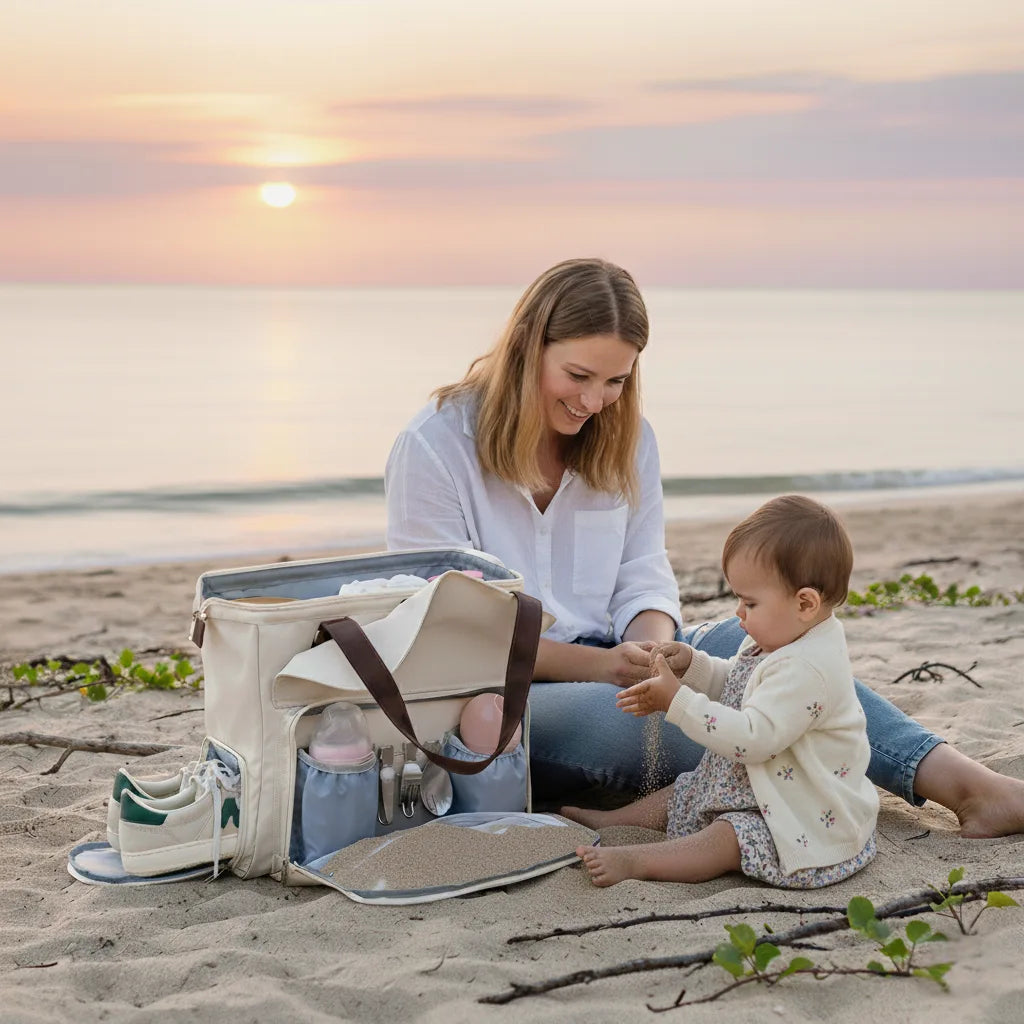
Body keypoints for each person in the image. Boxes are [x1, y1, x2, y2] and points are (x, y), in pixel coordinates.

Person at [384, 256, 1024, 839]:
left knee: (778, 650)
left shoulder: (627, 439)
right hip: (505, 696)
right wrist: (605, 668)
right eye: (577, 375)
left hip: (616, 658)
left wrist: (655, 646)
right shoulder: (436, 447)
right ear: (528, 346)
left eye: (615, 381)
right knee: (707, 709)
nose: (593, 401)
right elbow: (448, 630)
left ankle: (970, 787)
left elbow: (642, 573)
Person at [566, 495, 878, 887]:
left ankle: (638, 862)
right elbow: (738, 681)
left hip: (805, 817)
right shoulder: (782, 637)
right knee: (687, 790)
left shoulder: (806, 668)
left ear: (804, 603)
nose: (738, 613)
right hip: (773, 787)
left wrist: (677, 701)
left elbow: (752, 739)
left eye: (750, 602)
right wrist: (693, 665)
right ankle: (613, 821)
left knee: (727, 837)